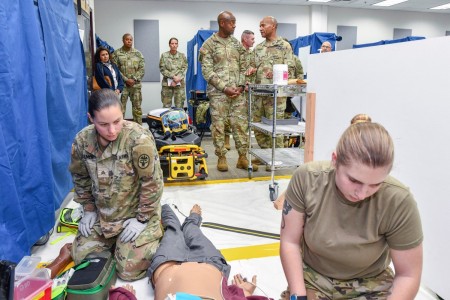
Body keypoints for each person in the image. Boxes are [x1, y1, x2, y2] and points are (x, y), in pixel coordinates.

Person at [279, 119, 423, 299]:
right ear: (335, 160)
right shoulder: (307, 179)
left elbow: (408, 275)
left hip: (371, 283)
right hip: (313, 277)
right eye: (354, 180)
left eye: (375, 184)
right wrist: (297, 296)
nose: (362, 193)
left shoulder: (399, 201)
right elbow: (290, 242)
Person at [69, 89, 164, 281]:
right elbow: (80, 177)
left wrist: (142, 219)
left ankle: (157, 228)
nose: (112, 130)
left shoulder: (138, 139)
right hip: (104, 215)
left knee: (128, 271)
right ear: (91, 118)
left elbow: (152, 182)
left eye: (117, 121)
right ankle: (119, 245)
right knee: (82, 260)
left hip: (135, 214)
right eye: (103, 124)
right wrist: (88, 209)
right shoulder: (82, 141)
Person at [148, 204, 267, 300]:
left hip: (168, 265)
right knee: (193, 231)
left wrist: (129, 296)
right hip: (210, 264)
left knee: (172, 227)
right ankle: (192, 219)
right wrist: (243, 294)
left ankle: (163, 206)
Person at [199, 11, 257, 172]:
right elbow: (207, 71)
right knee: (218, 127)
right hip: (219, 94)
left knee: (240, 125)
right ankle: (221, 157)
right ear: (222, 23)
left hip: (238, 93)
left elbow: (244, 66)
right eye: (232, 22)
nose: (234, 25)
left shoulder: (237, 44)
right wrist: (224, 88)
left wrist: (240, 86)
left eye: (234, 22)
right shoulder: (209, 45)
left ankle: (242, 157)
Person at [250, 16, 295, 150]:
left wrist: (276, 74)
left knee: (276, 128)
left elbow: (290, 70)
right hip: (258, 95)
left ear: (273, 26)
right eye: (260, 26)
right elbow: (251, 67)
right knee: (257, 126)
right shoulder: (258, 48)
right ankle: (267, 153)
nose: (260, 28)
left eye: (263, 25)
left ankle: (277, 157)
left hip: (276, 96)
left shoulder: (284, 46)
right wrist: (250, 71)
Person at [224, 30, 256, 151]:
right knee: (228, 115)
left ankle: (244, 142)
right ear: (245, 39)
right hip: (235, 88)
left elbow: (253, 68)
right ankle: (226, 138)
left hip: (248, 89)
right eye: (252, 39)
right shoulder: (235, 52)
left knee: (245, 117)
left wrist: (251, 76)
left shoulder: (252, 54)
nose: (254, 41)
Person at [112, 33, 145, 124]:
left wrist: (133, 79)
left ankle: (139, 129)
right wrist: (126, 79)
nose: (129, 41)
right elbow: (115, 69)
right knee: (120, 109)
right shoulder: (116, 53)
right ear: (123, 40)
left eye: (130, 40)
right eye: (127, 39)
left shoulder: (138, 54)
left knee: (137, 109)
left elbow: (142, 69)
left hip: (135, 85)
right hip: (122, 86)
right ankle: (120, 129)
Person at [159, 37, 188, 109]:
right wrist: (173, 77)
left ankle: (178, 120)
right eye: (172, 43)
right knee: (166, 106)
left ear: (178, 45)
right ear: (169, 45)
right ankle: (167, 120)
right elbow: (162, 68)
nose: (174, 45)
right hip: (167, 85)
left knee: (179, 106)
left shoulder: (182, 56)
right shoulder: (164, 55)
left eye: (176, 43)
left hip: (179, 85)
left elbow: (185, 68)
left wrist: (178, 78)